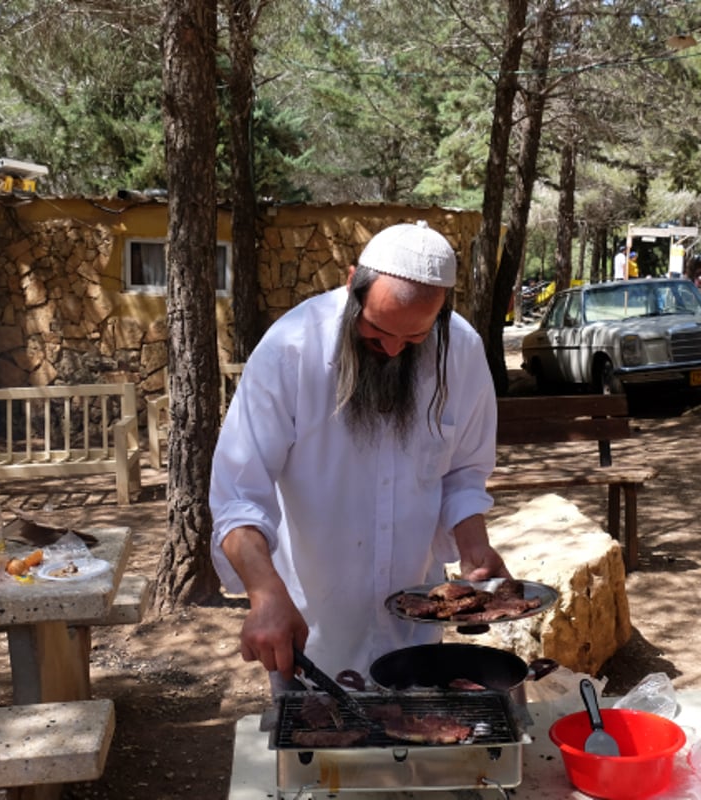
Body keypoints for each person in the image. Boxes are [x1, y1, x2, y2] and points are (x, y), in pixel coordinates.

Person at [210, 221, 510, 687]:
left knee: (416, 751)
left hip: (416, 631)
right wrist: (264, 592)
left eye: (413, 341)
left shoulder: (462, 352)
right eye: (376, 332)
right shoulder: (291, 349)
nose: (391, 350)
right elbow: (237, 497)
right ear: (352, 284)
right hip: (311, 633)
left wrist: (474, 548)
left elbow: (463, 473)